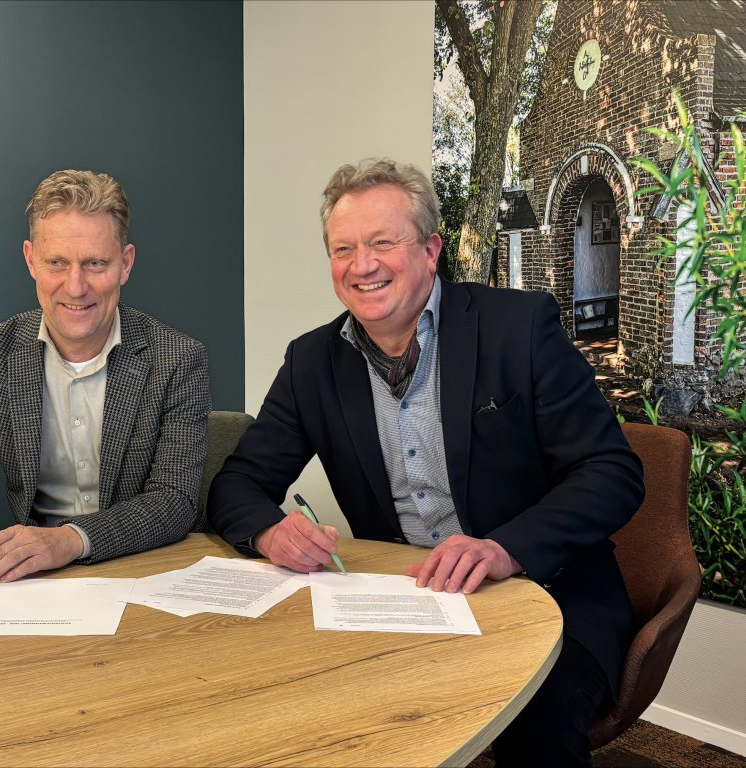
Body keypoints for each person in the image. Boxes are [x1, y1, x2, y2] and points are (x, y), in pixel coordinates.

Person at [208, 158, 644, 767]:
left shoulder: (519, 328)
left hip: (549, 593)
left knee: (533, 721)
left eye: (383, 242)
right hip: (406, 600)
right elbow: (237, 483)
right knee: (306, 711)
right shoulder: (312, 363)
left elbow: (612, 472)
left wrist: (505, 547)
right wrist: (268, 531)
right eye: (344, 248)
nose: (363, 265)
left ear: (431, 249)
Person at [0, 169, 210, 585]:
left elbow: (174, 501)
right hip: (31, 582)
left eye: (95, 263)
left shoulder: (177, 359)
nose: (75, 286)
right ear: (30, 260)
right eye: (56, 263)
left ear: (126, 264)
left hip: (139, 572)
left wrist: (69, 540)